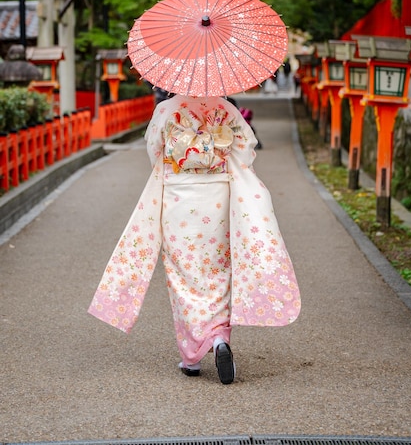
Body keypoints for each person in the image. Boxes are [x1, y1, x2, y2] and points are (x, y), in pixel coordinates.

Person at [88, 94, 301, 385]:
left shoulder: (166, 109)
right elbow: (247, 149)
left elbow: (154, 150)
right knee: (218, 271)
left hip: (178, 198)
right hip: (218, 198)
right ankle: (219, 339)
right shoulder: (226, 108)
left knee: (183, 275)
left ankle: (191, 357)